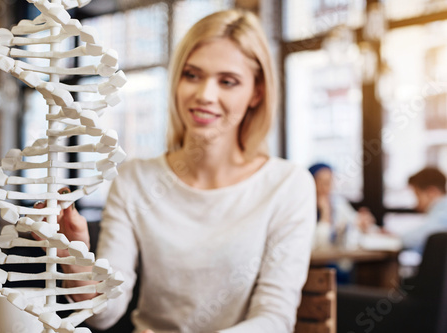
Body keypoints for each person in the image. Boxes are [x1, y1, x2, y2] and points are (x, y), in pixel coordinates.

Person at [47, 9, 316, 333]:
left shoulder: (288, 186)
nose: (205, 95)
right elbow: (104, 313)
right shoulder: (135, 180)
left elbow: (274, 320)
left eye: (227, 81)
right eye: (192, 75)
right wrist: (71, 254)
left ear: (257, 93)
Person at [309, 163, 376, 250]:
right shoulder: (305, 208)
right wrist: (325, 213)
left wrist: (367, 224)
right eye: (322, 183)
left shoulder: (337, 203)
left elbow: (354, 221)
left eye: (329, 183)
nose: (325, 188)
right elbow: (320, 246)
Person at [401, 167, 447, 254]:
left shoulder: (443, 213)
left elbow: (414, 239)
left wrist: (394, 238)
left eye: (417, 195)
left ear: (432, 192)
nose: (416, 205)